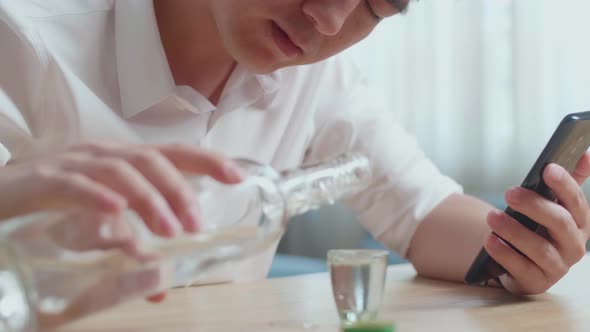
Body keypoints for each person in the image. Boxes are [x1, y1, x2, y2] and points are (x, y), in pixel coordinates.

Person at [0, 0, 588, 297]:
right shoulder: (24, 36)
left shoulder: (314, 78)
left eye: (375, 6)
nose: (329, 21)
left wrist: (523, 249)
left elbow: (425, 214)